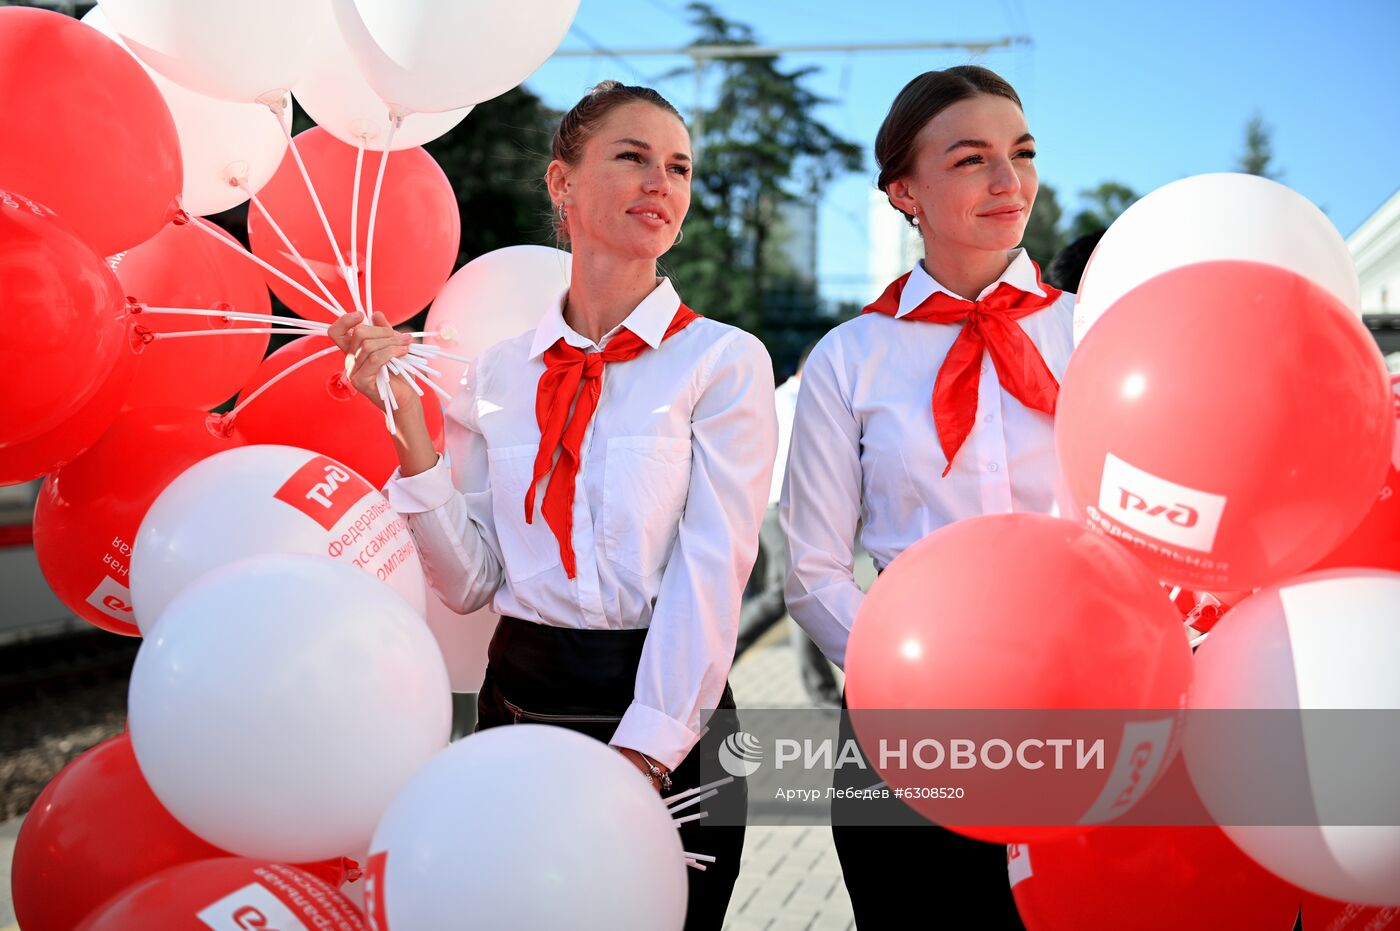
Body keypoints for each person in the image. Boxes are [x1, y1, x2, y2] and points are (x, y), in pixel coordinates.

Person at [329, 81, 778, 930]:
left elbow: (712, 574)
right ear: (561, 182)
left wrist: (642, 757)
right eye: (633, 157)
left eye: (679, 166)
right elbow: (471, 582)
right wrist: (409, 429)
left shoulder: (722, 362)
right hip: (521, 705)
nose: (662, 183)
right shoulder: (500, 372)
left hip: (669, 722)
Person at [781, 65, 1074, 928]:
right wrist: (920, 676)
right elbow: (812, 572)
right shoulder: (848, 356)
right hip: (907, 726)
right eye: (971, 159)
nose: (1008, 180)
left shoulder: (1095, 331)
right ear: (904, 192)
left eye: (1022, 153)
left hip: (1081, 702)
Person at [734, 342, 841, 706]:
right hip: (783, 508)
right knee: (784, 594)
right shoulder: (794, 403)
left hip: (778, 508)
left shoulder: (784, 399)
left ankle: (822, 692)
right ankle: (718, 656)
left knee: (796, 594)